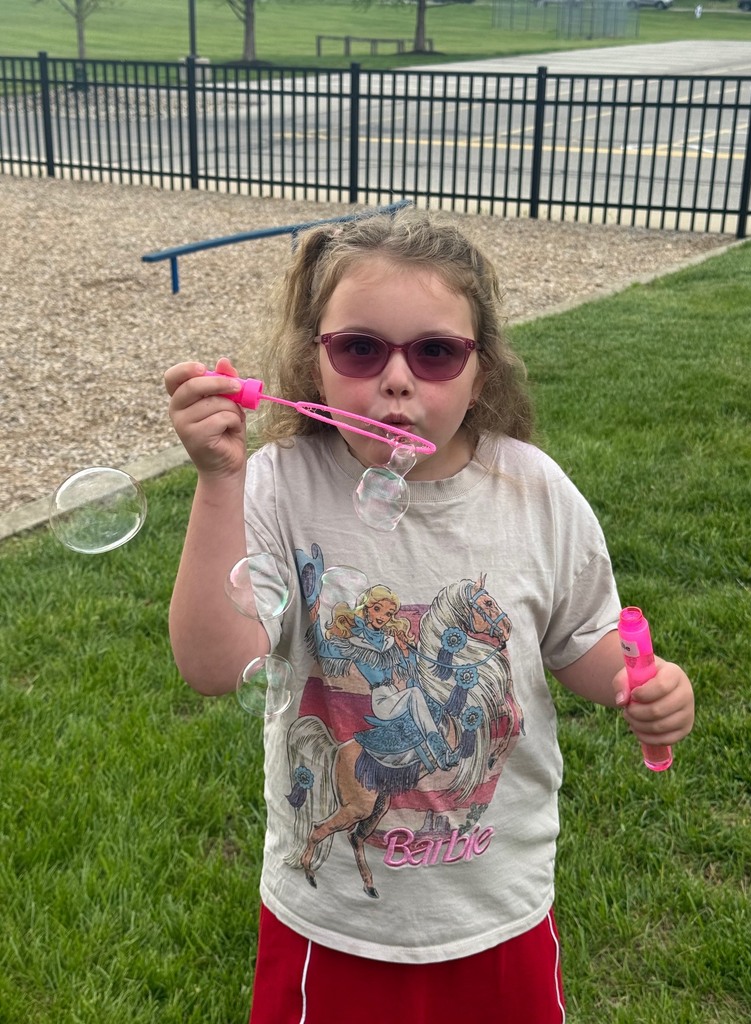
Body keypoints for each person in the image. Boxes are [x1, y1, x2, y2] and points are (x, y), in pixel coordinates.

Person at [164, 209, 695, 1024]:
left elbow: (582, 641)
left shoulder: (534, 492)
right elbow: (211, 665)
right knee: (388, 712)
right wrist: (218, 480)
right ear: (317, 360)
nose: (398, 380)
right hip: (335, 920)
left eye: (436, 352)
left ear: (482, 373)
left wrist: (641, 683)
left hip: (494, 905)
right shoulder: (279, 485)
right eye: (361, 349)